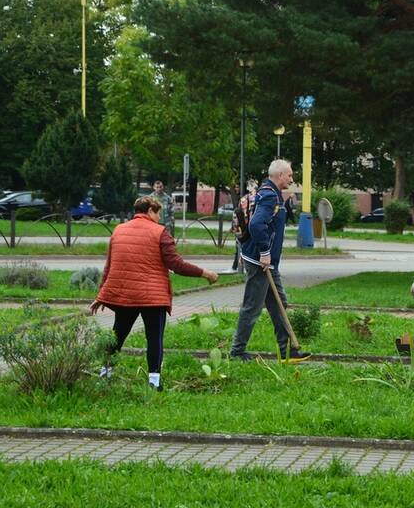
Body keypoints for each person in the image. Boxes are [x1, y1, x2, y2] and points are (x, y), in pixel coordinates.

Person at [89, 196, 219, 390]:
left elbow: (109, 266)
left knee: (117, 335)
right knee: (154, 338)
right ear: (150, 210)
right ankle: (153, 382)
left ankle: (105, 374)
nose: (159, 217)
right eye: (158, 213)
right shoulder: (160, 232)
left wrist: (100, 295)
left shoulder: (118, 231)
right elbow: (176, 264)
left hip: (126, 296)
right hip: (152, 297)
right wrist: (204, 273)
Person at [229, 159, 311, 362]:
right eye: (289, 175)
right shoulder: (269, 195)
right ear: (280, 175)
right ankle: (237, 352)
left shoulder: (271, 194)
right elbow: (257, 225)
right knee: (252, 306)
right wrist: (265, 252)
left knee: (279, 304)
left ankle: (287, 351)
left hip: (267, 261)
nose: (292, 179)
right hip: (260, 261)